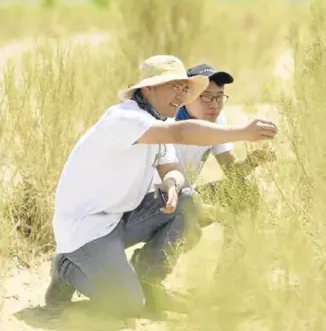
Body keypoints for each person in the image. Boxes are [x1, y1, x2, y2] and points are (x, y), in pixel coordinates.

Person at [45, 55, 278, 319]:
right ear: (148, 88)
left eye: (184, 88)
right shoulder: (125, 118)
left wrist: (173, 184)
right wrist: (242, 132)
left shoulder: (158, 122)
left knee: (186, 201)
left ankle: (149, 282)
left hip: (121, 218)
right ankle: (65, 268)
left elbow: (171, 170)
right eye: (174, 86)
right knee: (128, 305)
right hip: (86, 228)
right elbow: (180, 134)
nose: (181, 94)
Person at [156, 63, 276, 226]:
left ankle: (236, 251)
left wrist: (252, 161)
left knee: (244, 190)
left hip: (187, 195)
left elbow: (231, 169)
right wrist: (215, 212)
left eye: (219, 97)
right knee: (194, 208)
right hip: (159, 200)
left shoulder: (217, 119)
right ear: (185, 97)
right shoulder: (167, 121)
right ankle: (152, 252)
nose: (215, 105)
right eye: (206, 96)